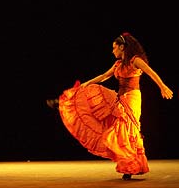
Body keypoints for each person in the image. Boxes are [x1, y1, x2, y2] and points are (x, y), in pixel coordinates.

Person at [47, 32, 173, 180]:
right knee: (96, 95)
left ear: (122, 47)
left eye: (114, 48)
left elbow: (151, 73)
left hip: (132, 98)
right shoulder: (118, 64)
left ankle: (131, 165)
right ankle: (66, 101)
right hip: (120, 97)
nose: (112, 51)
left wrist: (163, 87)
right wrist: (85, 84)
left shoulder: (135, 60)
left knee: (127, 128)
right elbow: (104, 76)